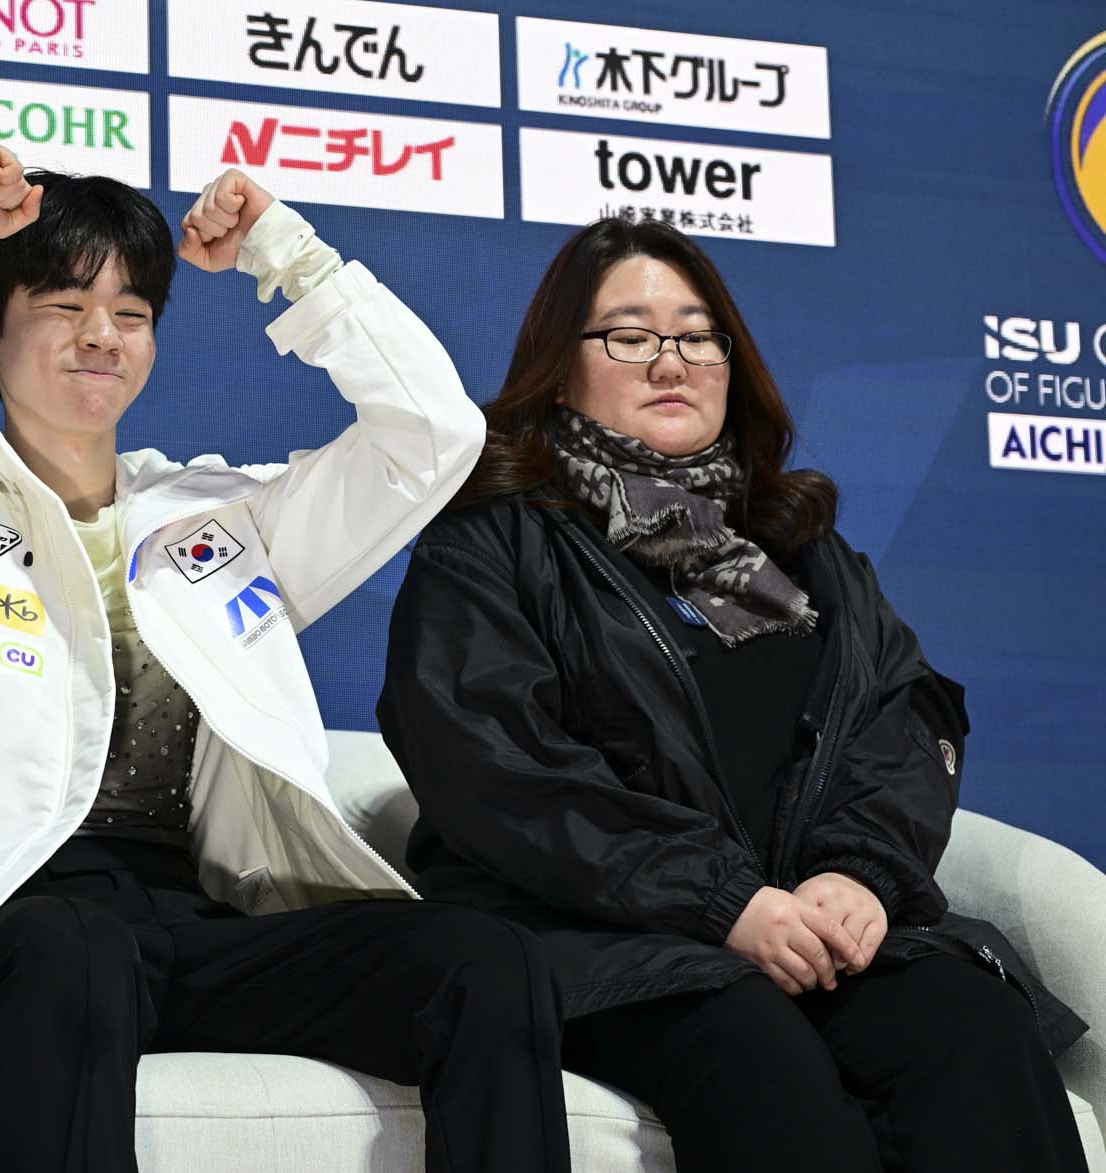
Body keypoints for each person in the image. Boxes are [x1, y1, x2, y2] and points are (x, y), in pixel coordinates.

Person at [0, 142, 571, 1173]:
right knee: (77, 950)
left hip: (204, 915)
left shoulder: (218, 517)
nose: (101, 335)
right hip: (13, 920)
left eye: (131, 312)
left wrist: (287, 255)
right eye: (64, 305)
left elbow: (431, 433)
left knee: (482, 958)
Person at [377, 214, 1089, 1173]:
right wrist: (723, 902)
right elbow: (499, 771)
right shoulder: (494, 541)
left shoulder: (793, 549)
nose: (669, 359)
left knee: (970, 1024)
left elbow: (901, 715)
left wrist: (858, 874)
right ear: (561, 364)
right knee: (760, 1054)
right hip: (604, 939)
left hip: (805, 924)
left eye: (697, 333)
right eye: (628, 334)